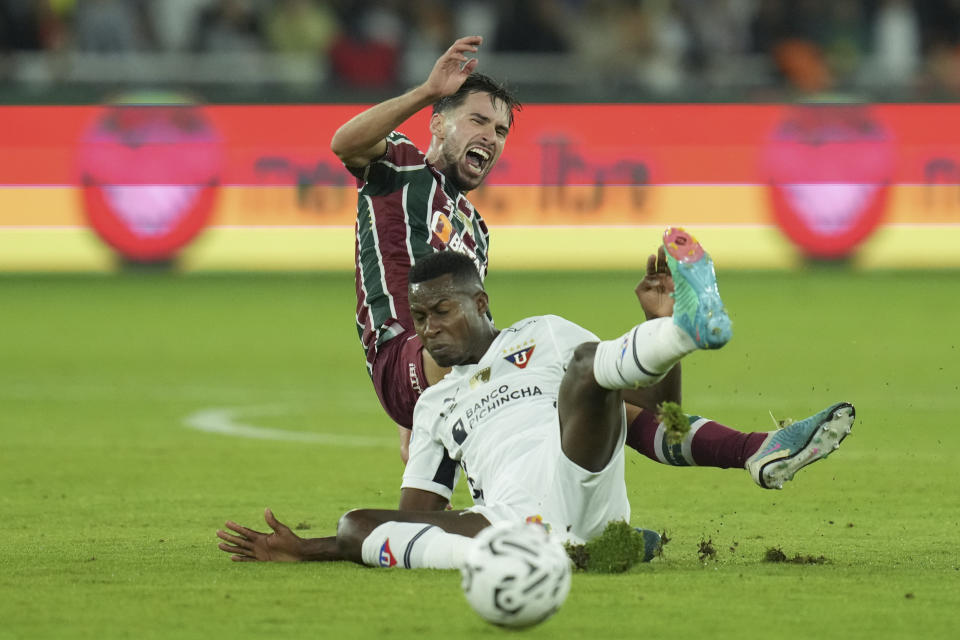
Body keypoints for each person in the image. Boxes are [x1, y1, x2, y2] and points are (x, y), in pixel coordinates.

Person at [217, 230, 855, 567]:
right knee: (357, 523)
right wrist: (313, 547)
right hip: (504, 518)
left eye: (442, 311)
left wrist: (660, 326)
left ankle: (682, 330)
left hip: (579, 478)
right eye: (419, 317)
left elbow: (652, 415)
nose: (428, 328)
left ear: (481, 304)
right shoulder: (434, 407)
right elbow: (415, 513)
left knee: (587, 370)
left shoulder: (542, 334)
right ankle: (571, 552)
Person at [330, 35, 520, 462]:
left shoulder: (478, 229)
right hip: (400, 356)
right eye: (478, 121)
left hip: (445, 368)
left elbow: (474, 316)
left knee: (554, 376)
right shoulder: (401, 165)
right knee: (542, 359)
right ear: (438, 123)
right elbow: (344, 143)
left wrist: (414, 426)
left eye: (500, 130)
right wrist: (427, 92)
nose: (490, 137)